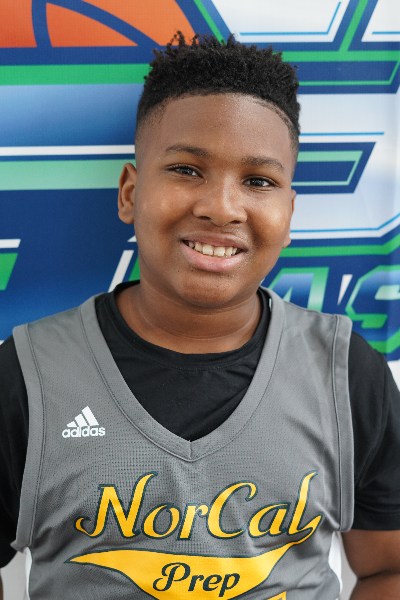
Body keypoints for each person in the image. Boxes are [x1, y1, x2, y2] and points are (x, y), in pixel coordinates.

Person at [1, 33, 400, 600]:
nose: (222, 207)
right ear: (130, 193)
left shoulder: (345, 374)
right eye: (187, 169)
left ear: (288, 212)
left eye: (258, 181)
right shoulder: (28, 375)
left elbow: (388, 568)